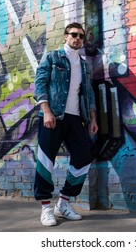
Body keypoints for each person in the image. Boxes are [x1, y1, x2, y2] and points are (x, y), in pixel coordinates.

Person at [33, 22, 98, 226]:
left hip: (75, 118)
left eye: (80, 35)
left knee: (84, 157)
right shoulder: (52, 57)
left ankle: (63, 203)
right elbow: (40, 83)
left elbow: (88, 94)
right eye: (73, 34)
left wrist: (92, 119)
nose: (77, 38)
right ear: (65, 36)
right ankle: (45, 208)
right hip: (54, 115)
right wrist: (46, 112)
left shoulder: (84, 64)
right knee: (46, 161)